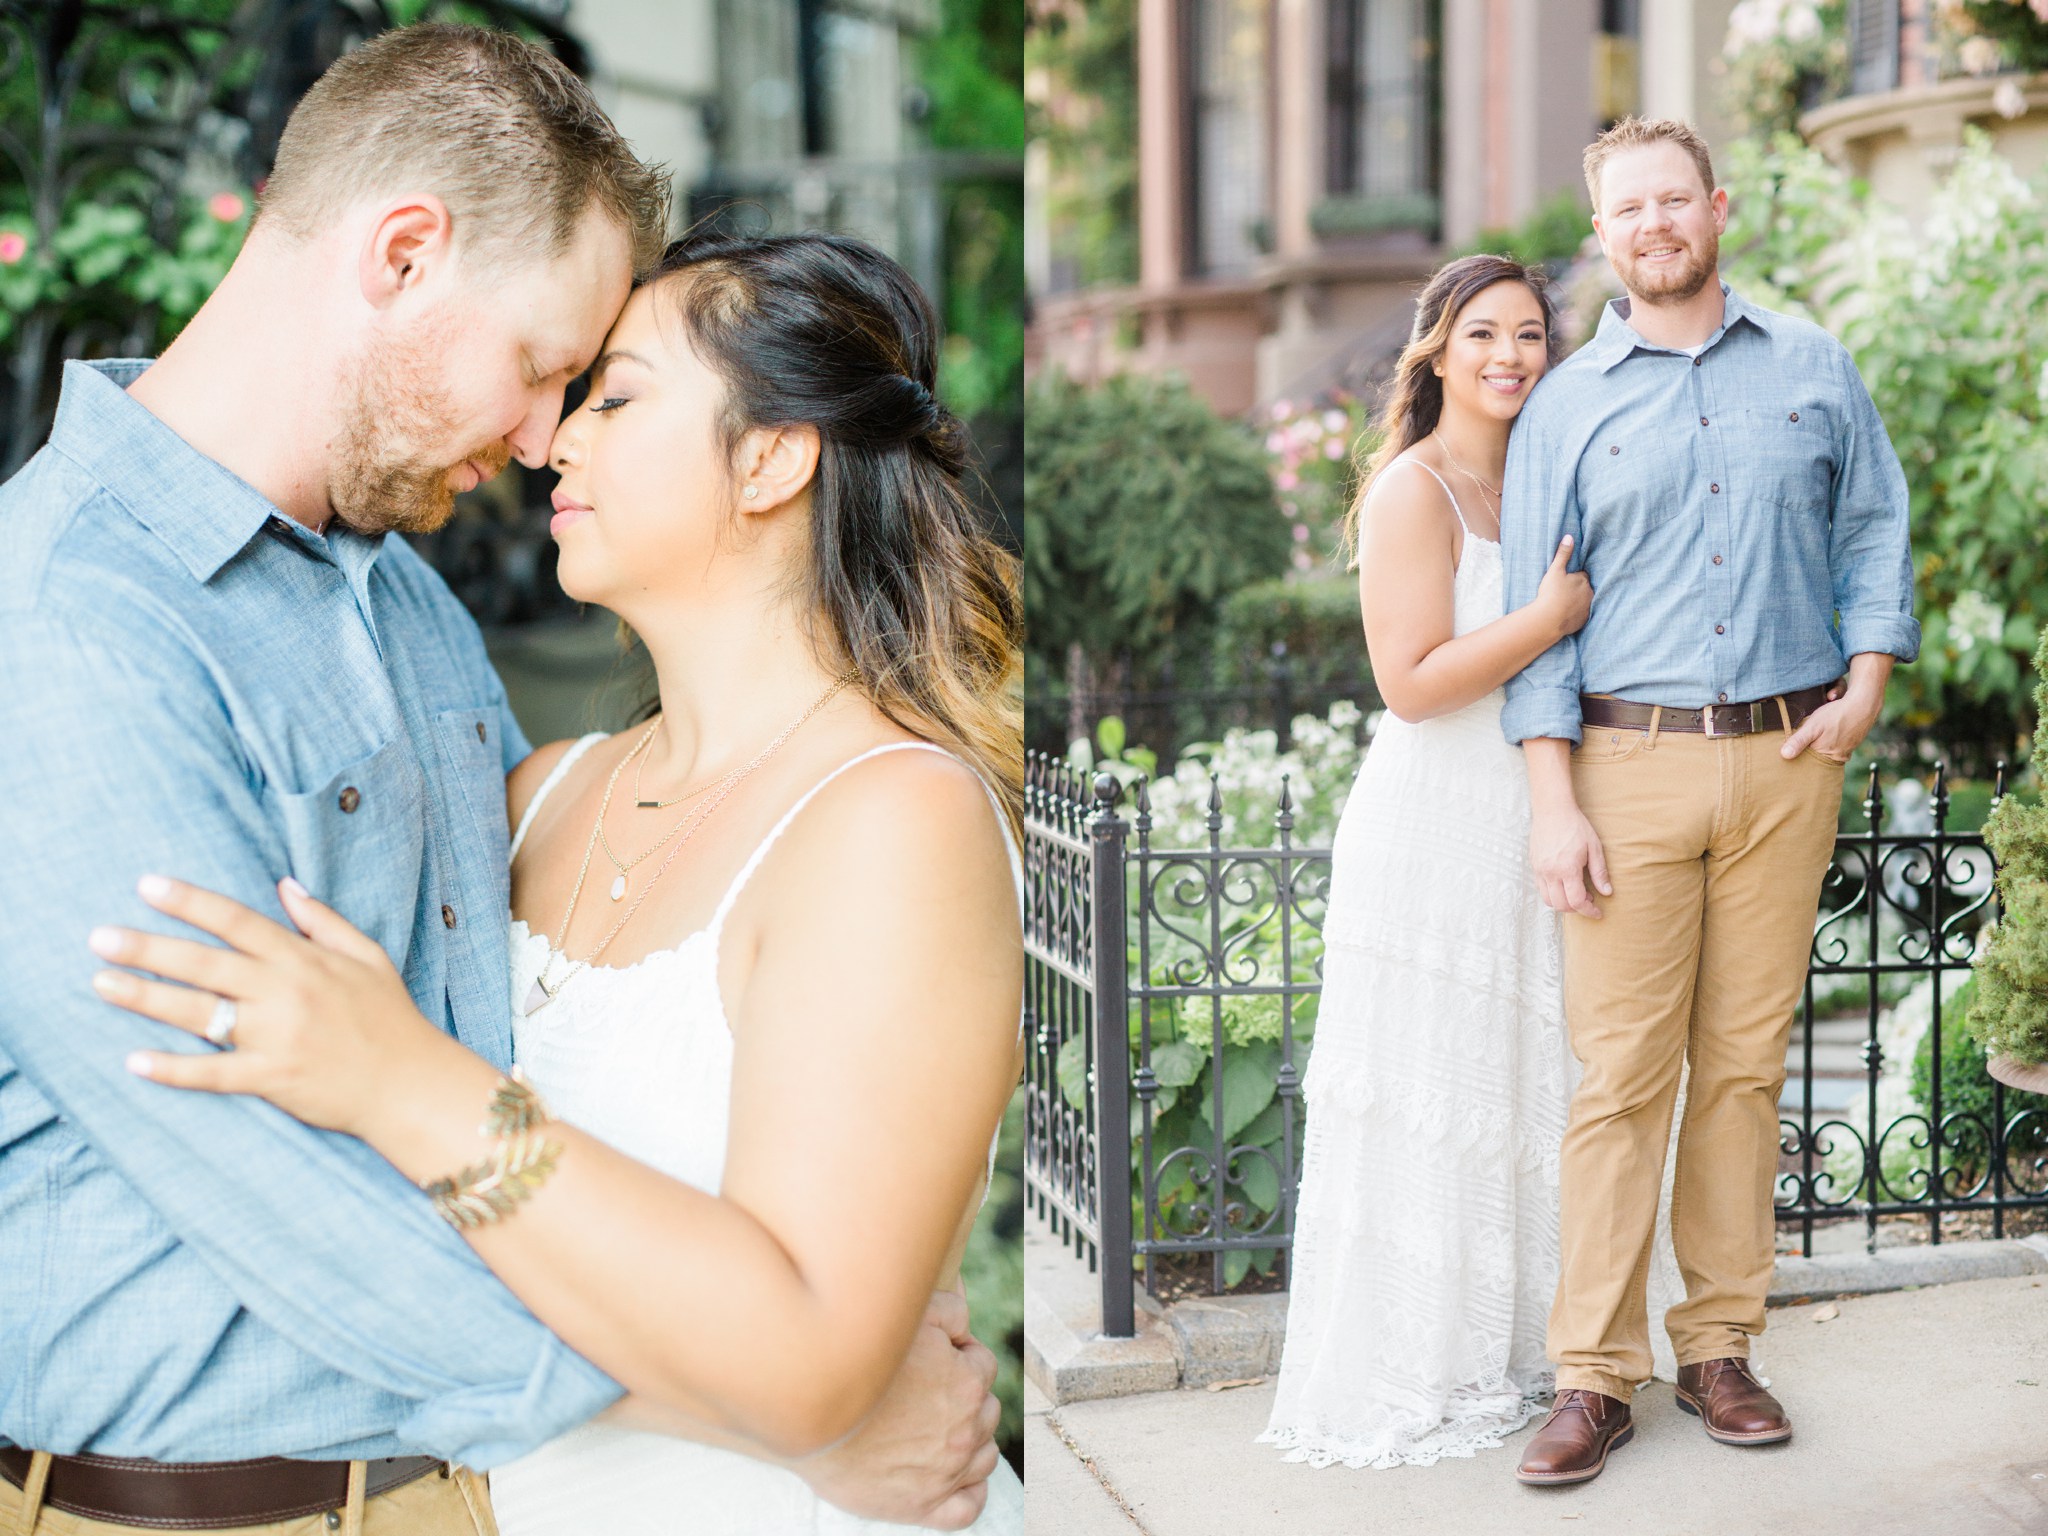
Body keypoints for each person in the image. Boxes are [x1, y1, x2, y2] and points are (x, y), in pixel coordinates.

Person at [0, 25, 1005, 1536]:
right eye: (549, 372)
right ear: (404, 255)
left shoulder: (409, 614)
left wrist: (805, 1386)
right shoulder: (71, 618)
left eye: (598, 392)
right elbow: (273, 1194)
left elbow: (454, 1093)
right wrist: (794, 1413)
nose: (544, 438)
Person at [1500, 116, 1917, 1487]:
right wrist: (1554, 800)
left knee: (1742, 1069)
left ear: (1716, 209)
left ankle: (1722, 1347)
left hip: (1790, 758)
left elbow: (1873, 528)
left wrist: (1863, 686)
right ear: (1604, 234)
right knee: (1621, 1079)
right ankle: (1592, 1377)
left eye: (1673, 200)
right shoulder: (1565, 403)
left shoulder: (1812, 366)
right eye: (1627, 209)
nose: (1654, 225)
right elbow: (1537, 621)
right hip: (1627, 766)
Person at [1258, 253, 1599, 1469]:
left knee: (1516, 1085)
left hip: (1527, 814)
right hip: (1432, 822)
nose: (1508, 356)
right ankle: (1418, 1359)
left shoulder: (1540, 479)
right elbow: (1407, 685)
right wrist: (1543, 619)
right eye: (1482, 336)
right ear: (1437, 354)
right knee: (1433, 1093)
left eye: (1527, 336)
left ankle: (1520, 1347)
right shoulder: (1413, 490)